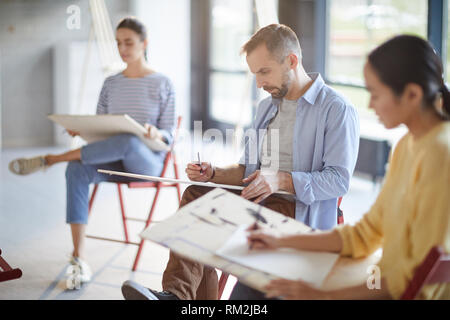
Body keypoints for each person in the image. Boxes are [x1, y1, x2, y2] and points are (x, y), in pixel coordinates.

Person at [121, 23, 359, 300]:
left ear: (292, 61)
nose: (259, 83)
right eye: (255, 74)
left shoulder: (336, 109)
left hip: (296, 211)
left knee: (213, 230)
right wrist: (213, 173)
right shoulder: (266, 107)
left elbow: (339, 180)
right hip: (258, 202)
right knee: (195, 196)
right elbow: (247, 170)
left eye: (264, 72)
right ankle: (175, 295)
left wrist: (280, 179)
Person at [237, 35, 450, 300]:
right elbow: (365, 235)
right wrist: (281, 240)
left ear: (412, 95)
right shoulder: (407, 145)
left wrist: (323, 296)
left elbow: (417, 277)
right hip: (381, 281)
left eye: (375, 94)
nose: (370, 105)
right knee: (259, 282)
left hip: (397, 291)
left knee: (264, 290)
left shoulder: (441, 154)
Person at [8, 17, 176, 288]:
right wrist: (83, 130)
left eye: (129, 42)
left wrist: (156, 133)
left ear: (144, 44)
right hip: (111, 157)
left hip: (146, 162)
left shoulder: (163, 83)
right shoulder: (111, 83)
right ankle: (78, 257)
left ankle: (51, 159)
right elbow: (102, 128)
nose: (122, 48)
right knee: (77, 168)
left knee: (128, 141)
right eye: (118, 43)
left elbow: (169, 134)